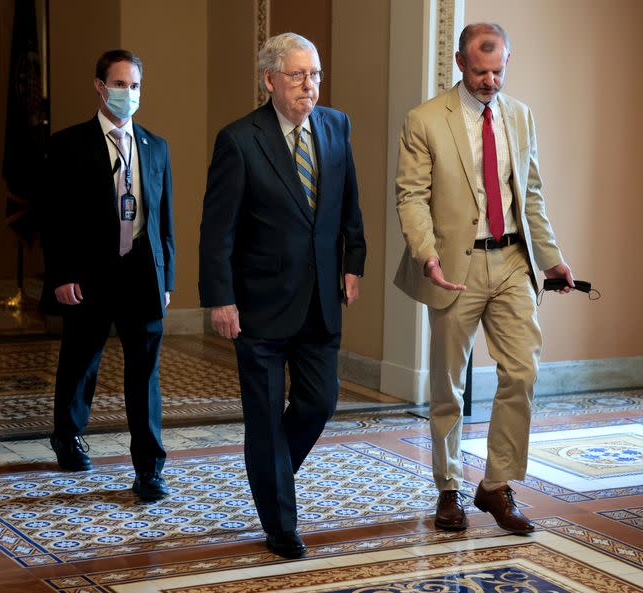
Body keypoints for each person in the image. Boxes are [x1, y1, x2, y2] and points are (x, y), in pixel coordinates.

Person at [394, 23, 574, 535]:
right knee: (449, 383)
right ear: (459, 62)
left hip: (513, 259)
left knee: (522, 371)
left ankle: (496, 486)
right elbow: (411, 196)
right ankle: (448, 488)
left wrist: (552, 258)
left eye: (498, 71)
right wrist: (426, 254)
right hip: (455, 265)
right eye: (480, 71)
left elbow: (530, 194)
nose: (490, 81)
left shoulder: (520, 117)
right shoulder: (425, 120)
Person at [199, 32, 365, 558]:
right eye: (297, 75)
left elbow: (348, 206)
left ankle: (268, 473)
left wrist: (353, 264)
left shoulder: (336, 126)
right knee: (266, 415)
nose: (308, 85)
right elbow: (217, 229)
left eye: (314, 74)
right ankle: (281, 525)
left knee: (320, 401)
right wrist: (219, 298)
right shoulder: (239, 139)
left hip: (321, 298)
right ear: (269, 79)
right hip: (260, 304)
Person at [42, 49, 175, 502]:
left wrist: (167, 278)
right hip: (89, 273)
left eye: (135, 85)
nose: (128, 93)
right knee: (81, 359)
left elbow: (164, 220)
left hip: (141, 273)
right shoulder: (68, 144)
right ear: (100, 87)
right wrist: (61, 274)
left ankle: (149, 469)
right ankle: (68, 433)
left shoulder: (156, 146)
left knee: (145, 374)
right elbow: (54, 218)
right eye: (119, 85)